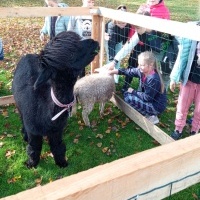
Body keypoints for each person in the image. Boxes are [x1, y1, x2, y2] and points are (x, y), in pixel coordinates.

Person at [107, 51, 167, 124]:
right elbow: (128, 71)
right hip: (150, 100)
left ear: (150, 65)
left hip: (156, 106)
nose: (139, 67)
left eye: (142, 65)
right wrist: (112, 72)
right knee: (127, 94)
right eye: (139, 64)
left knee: (128, 97)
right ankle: (147, 112)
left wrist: (133, 92)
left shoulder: (153, 79)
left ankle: (150, 115)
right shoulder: (142, 71)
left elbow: (147, 98)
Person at [123, 0, 171, 92]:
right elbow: (135, 26)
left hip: (152, 46)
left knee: (147, 68)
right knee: (132, 64)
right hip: (139, 42)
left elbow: (166, 31)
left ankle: (145, 89)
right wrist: (130, 39)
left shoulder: (164, 10)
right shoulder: (142, 7)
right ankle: (126, 85)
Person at [170, 22, 200, 140]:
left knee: (199, 110)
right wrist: (174, 77)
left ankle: (195, 130)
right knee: (183, 105)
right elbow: (182, 56)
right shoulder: (193, 30)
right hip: (190, 79)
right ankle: (178, 128)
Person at [105, 5, 133, 83]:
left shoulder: (129, 25)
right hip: (109, 40)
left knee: (118, 59)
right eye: (119, 23)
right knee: (111, 60)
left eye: (123, 23)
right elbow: (111, 44)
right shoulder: (111, 25)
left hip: (119, 41)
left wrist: (124, 43)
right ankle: (108, 79)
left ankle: (115, 80)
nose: (121, 26)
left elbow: (127, 35)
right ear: (115, 21)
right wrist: (112, 60)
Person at [67, 0, 95, 77]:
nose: (91, 4)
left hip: (90, 43)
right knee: (80, 63)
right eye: (89, 2)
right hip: (79, 43)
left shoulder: (94, 13)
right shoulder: (76, 13)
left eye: (93, 2)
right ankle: (79, 80)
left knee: (89, 61)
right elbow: (70, 28)